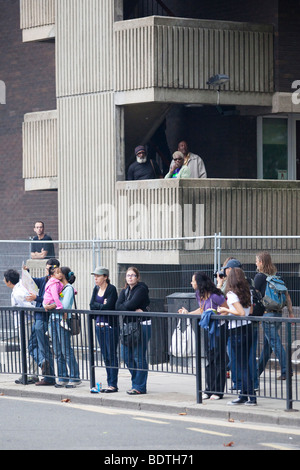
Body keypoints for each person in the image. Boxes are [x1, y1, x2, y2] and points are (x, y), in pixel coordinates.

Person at [179, 272, 227, 400]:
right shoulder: (198, 295)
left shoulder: (216, 296)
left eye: (193, 281)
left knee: (219, 359)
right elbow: (201, 310)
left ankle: (218, 391)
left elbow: (226, 309)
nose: (191, 283)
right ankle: (208, 389)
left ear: (199, 283)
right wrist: (188, 313)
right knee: (209, 358)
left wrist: (216, 316)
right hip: (207, 329)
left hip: (218, 329)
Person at [218, 268, 257, 405]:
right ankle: (244, 395)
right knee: (244, 364)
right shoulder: (248, 292)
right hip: (248, 328)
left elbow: (240, 313)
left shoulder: (231, 294)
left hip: (237, 330)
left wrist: (225, 310)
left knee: (242, 366)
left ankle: (250, 396)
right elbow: (249, 311)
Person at [255, 251, 294, 381]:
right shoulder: (277, 277)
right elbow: (287, 296)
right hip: (278, 314)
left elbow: (255, 298)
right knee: (268, 346)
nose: (255, 263)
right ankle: (256, 372)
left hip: (267, 315)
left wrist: (255, 315)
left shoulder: (259, 277)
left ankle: (286, 370)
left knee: (275, 343)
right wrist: (291, 313)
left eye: (256, 261)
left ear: (261, 262)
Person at [23, 258, 60, 386]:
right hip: (37, 317)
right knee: (32, 346)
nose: (48, 271)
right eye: (47, 269)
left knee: (44, 348)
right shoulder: (44, 280)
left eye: (51, 269)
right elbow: (32, 281)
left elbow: (48, 300)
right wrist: (26, 273)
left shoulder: (54, 282)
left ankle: (48, 377)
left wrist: (36, 298)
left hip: (44, 318)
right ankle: (43, 363)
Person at [115, 267, 150, 395]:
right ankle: (137, 381)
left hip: (142, 325)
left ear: (137, 277)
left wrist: (126, 306)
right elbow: (117, 307)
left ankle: (140, 386)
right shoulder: (125, 291)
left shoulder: (141, 289)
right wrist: (127, 307)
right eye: (128, 275)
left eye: (133, 275)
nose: (130, 277)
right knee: (126, 356)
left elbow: (129, 305)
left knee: (138, 356)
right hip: (127, 327)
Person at [3, 269, 39, 384]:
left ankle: (30, 375)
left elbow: (29, 306)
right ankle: (30, 373)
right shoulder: (19, 288)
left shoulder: (18, 292)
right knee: (29, 347)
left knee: (28, 348)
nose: (3, 281)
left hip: (25, 322)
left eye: (4, 279)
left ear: (9, 281)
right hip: (25, 322)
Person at [47, 267, 81, 388]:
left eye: (58, 272)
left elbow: (65, 306)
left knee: (66, 350)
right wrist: (53, 305)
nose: (55, 275)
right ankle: (62, 377)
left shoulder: (69, 289)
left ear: (62, 275)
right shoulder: (57, 287)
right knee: (57, 350)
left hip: (62, 321)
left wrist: (51, 306)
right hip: (54, 320)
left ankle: (75, 377)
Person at [90, 266, 119, 393]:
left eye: (98, 276)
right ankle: (109, 382)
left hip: (110, 326)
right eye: (95, 276)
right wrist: (101, 306)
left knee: (111, 355)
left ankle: (113, 384)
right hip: (98, 326)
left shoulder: (111, 289)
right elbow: (91, 305)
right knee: (105, 356)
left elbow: (109, 307)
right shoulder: (96, 289)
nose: (96, 278)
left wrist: (99, 307)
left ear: (105, 277)